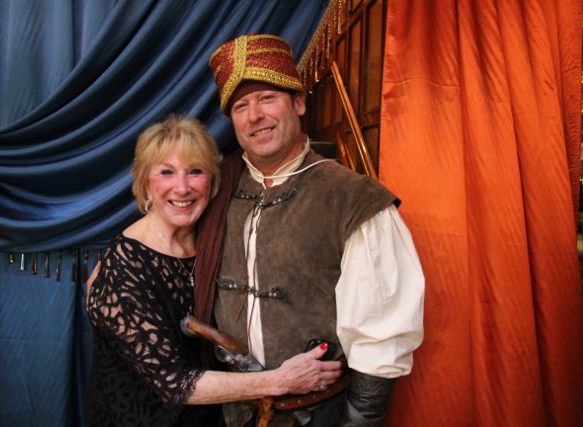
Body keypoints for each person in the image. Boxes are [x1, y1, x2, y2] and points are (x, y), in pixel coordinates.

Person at [194, 34, 425, 426]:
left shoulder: (353, 198)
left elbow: (382, 334)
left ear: (298, 103)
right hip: (231, 411)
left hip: (319, 414)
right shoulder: (212, 189)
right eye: (241, 106)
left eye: (268, 98)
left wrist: (359, 420)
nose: (255, 116)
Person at [85, 115, 343, 427]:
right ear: (146, 184)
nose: (183, 187)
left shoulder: (210, 239)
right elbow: (175, 383)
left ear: (212, 181)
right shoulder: (122, 266)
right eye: (166, 172)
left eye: (195, 171)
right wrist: (280, 381)